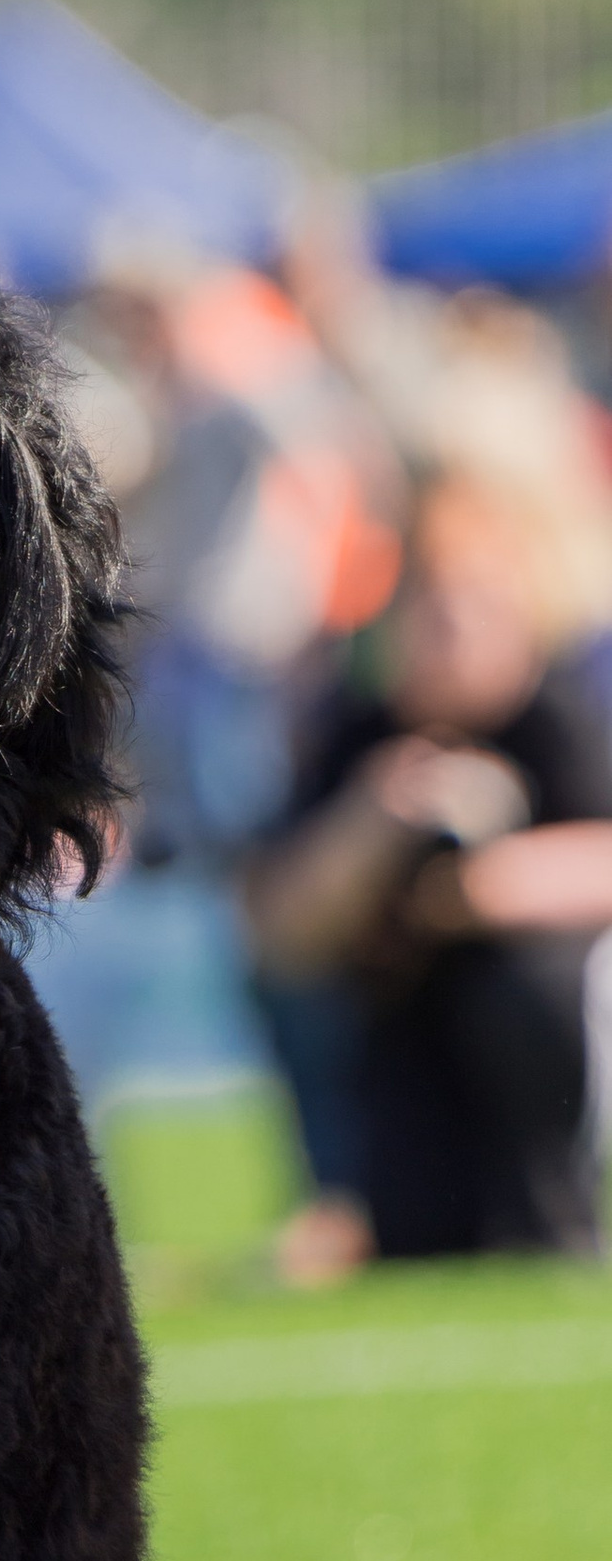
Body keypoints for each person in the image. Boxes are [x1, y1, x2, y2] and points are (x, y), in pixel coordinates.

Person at [240, 476, 612, 1263]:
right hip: (406, 1028)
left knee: (530, 994)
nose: (448, 633)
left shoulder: (558, 721)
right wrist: (377, 818)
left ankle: (564, 1208)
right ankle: (343, 1197)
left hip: (544, 1017)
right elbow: (280, 935)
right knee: (418, 1232)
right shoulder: (360, 736)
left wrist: (483, 887)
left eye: (472, 608)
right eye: (430, 608)